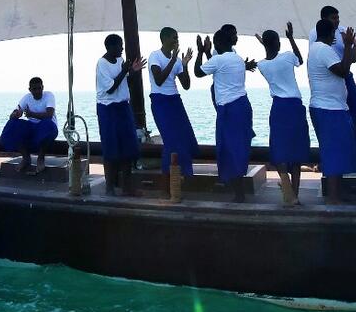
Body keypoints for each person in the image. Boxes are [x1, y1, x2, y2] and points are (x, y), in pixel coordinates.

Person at [308, 19, 356, 205]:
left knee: (340, 150)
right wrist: (349, 44)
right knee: (334, 151)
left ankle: (339, 193)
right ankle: (334, 197)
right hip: (328, 110)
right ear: (332, 34)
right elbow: (343, 70)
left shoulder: (318, 48)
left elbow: (344, 63)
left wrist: (354, 47)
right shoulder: (323, 50)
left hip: (333, 108)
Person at [308, 6, 356, 171]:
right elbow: (317, 59)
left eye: (338, 17)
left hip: (345, 77)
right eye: (333, 18)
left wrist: (354, 46)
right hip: (332, 79)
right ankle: (334, 162)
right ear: (324, 20)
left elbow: (352, 60)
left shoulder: (344, 31)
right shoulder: (316, 34)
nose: (337, 21)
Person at [195, 29, 255, 203]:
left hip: (229, 109)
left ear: (219, 44)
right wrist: (207, 52)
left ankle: (239, 193)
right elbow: (214, 66)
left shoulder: (219, 59)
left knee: (229, 149)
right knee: (238, 148)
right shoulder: (236, 58)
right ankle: (237, 190)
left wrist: (200, 51)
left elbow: (198, 72)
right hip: (242, 106)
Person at [256, 22, 310, 203]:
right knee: (296, 152)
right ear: (278, 43)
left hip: (278, 108)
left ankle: (287, 188)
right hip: (294, 106)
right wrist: (291, 38)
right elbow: (299, 60)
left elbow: (270, 57)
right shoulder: (287, 57)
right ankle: (294, 194)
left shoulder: (262, 65)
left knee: (279, 150)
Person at [148, 27, 199, 195]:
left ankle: (182, 178)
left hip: (175, 101)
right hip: (160, 101)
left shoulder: (177, 61)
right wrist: (173, 60)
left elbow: (186, 85)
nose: (176, 40)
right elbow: (159, 79)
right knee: (170, 141)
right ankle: (166, 184)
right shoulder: (155, 56)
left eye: (177, 37)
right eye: (173, 37)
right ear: (164, 39)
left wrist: (184, 66)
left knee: (185, 138)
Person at [96, 34, 146, 196]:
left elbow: (126, 83)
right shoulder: (102, 64)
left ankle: (127, 187)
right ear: (110, 47)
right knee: (110, 148)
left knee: (128, 147)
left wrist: (133, 72)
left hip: (123, 106)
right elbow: (110, 88)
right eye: (120, 46)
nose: (122, 49)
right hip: (108, 109)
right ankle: (109, 187)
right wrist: (125, 70)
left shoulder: (120, 61)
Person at [0, 77, 59, 175]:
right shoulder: (27, 97)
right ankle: (26, 157)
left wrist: (32, 114)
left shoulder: (49, 95)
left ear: (42, 87)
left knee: (47, 124)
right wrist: (16, 114)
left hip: (47, 127)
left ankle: (41, 158)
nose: (37, 91)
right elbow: (15, 112)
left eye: (39, 88)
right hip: (32, 127)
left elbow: (49, 114)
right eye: (34, 89)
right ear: (30, 90)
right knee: (13, 124)